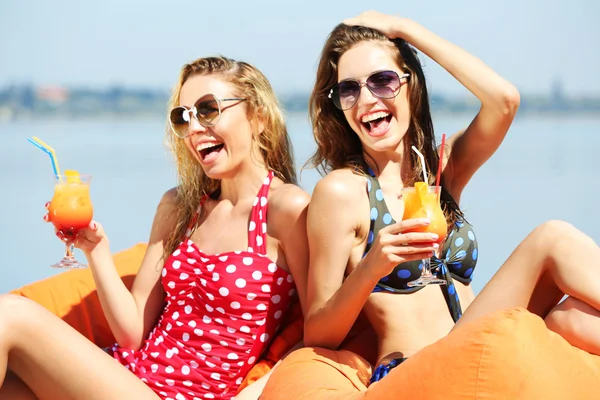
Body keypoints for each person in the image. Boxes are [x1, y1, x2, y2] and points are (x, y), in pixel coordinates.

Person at [290, 10, 600, 389]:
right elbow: (318, 332)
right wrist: (372, 266)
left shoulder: (441, 170)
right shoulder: (343, 191)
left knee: (571, 320)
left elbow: (504, 100)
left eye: (383, 80)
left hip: (474, 345)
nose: (366, 99)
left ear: (411, 86)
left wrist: (407, 30)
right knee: (552, 239)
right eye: (349, 89)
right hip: (414, 368)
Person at [0, 56, 310, 400]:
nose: (192, 129)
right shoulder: (180, 207)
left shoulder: (286, 209)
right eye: (183, 117)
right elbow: (132, 333)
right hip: (128, 376)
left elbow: (316, 330)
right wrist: (96, 249)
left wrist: (251, 396)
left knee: (9, 314)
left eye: (208, 110)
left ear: (259, 116)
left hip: (185, 395)